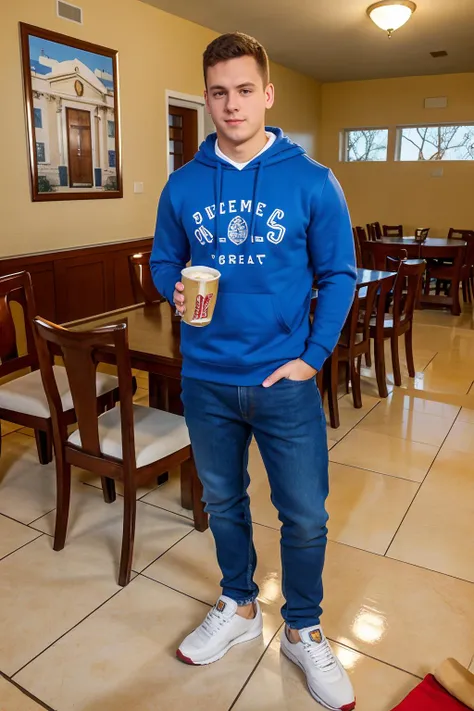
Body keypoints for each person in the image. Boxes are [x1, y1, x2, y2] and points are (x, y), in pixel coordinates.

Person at [150, 32, 357, 711]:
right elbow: (162, 260)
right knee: (224, 501)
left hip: (285, 382)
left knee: (304, 515)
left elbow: (339, 273)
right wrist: (172, 291)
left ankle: (302, 626)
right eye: (218, 92)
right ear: (206, 99)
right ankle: (239, 607)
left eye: (244, 90)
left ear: (267, 94)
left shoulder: (312, 180)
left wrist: (313, 358)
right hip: (207, 378)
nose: (231, 104)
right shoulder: (183, 184)